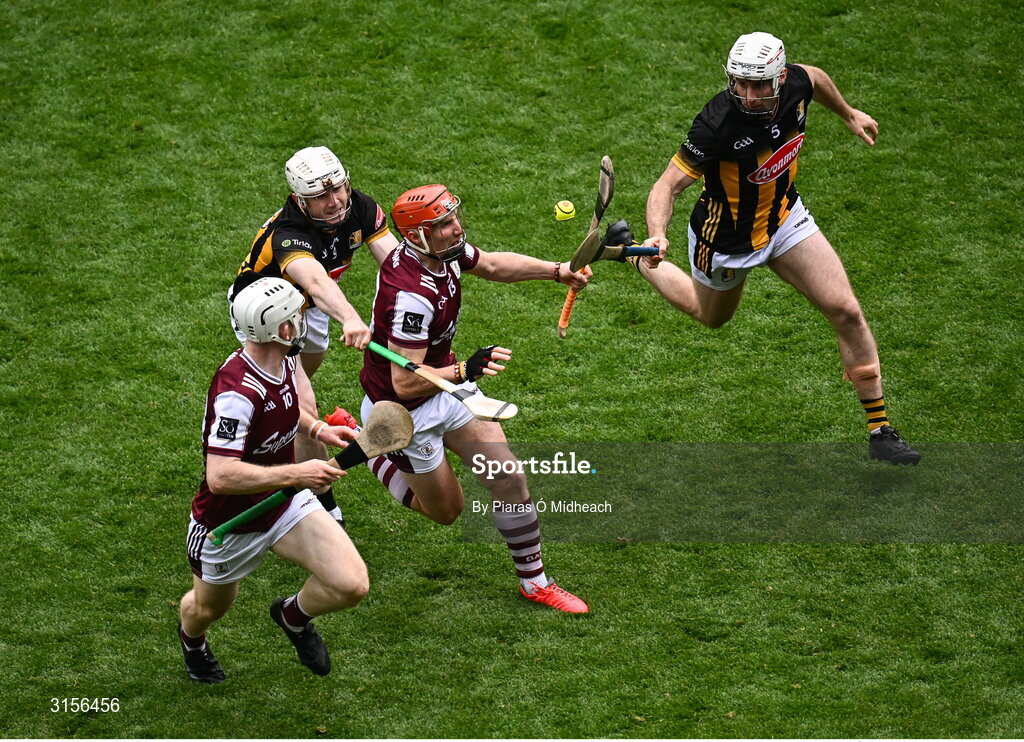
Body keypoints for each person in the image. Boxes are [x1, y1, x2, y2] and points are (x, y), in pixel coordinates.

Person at [630, 31, 920, 464]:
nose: (748, 95)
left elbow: (817, 78)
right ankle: (637, 256)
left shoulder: (796, 85)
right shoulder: (716, 124)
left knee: (846, 311)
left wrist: (847, 113)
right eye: (740, 84)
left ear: (780, 78)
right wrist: (656, 235)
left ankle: (880, 429)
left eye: (759, 85)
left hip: (785, 220)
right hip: (724, 241)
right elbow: (666, 186)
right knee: (709, 317)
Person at [357, 184, 592, 612]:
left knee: (508, 475)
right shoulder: (412, 296)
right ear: (415, 236)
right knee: (446, 513)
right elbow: (405, 383)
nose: (456, 229)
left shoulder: (439, 252)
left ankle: (534, 581)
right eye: (443, 225)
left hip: (449, 386)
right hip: (405, 412)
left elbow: (491, 264)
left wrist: (557, 270)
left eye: (453, 218)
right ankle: (369, 444)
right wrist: (466, 369)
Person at [178, 277, 368, 683]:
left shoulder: (280, 359)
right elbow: (222, 476)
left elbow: (282, 405)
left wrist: (317, 430)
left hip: (282, 503)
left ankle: (292, 616)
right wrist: (300, 471)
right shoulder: (236, 394)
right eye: (296, 316)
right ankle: (193, 642)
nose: (302, 320)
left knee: (351, 584)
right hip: (229, 524)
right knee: (207, 609)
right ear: (281, 329)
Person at [228, 146, 403, 524]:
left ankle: (279, 428)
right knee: (301, 404)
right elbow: (317, 282)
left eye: (339, 188)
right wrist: (352, 319)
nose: (335, 201)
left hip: (308, 308)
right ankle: (323, 506)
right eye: (320, 196)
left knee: (298, 387)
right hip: (269, 315)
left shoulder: (360, 206)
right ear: (298, 199)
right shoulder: (289, 234)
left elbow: (396, 264)